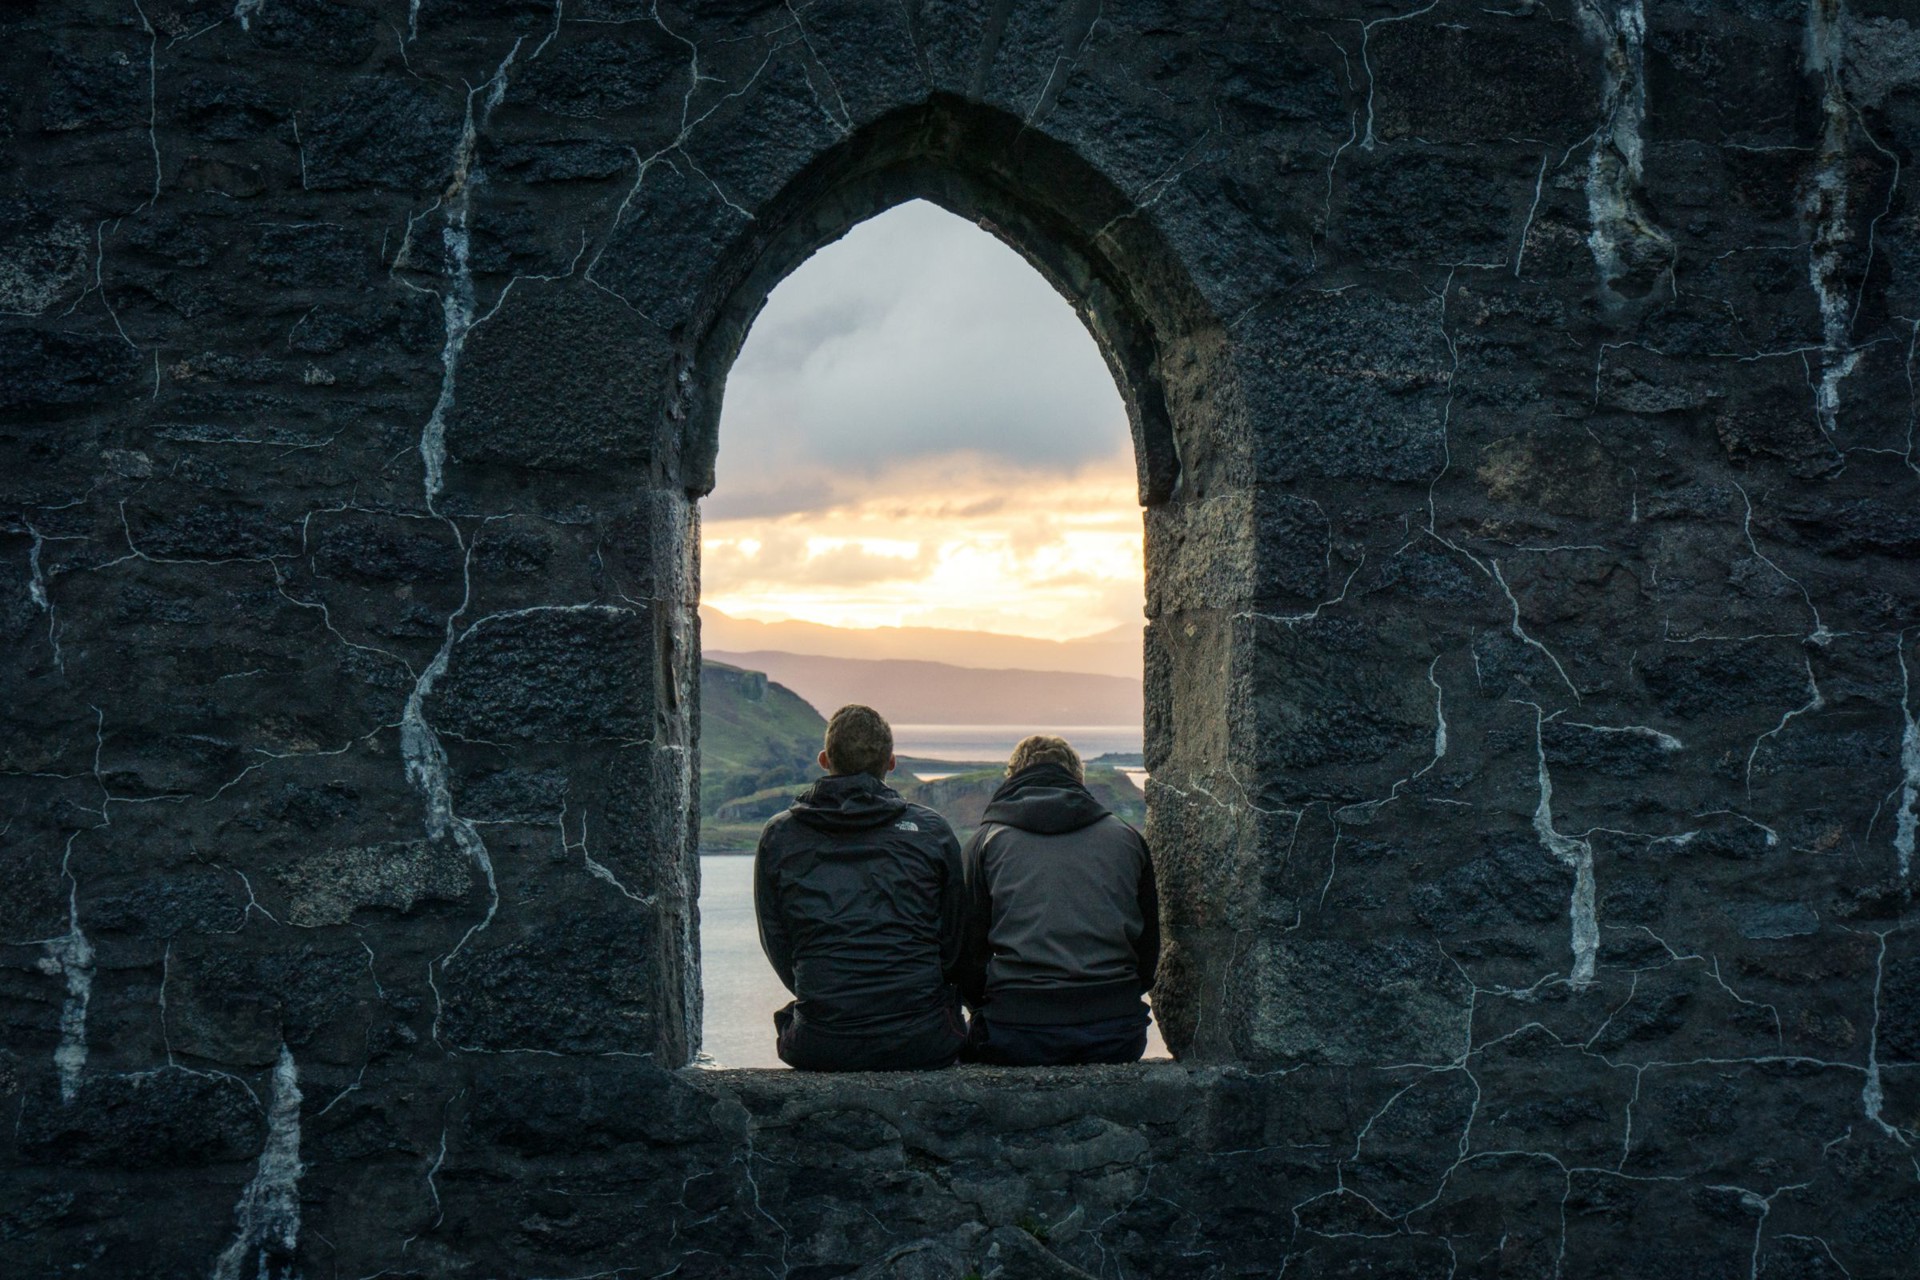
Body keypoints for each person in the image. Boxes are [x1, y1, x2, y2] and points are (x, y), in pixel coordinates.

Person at [753, 704, 969, 1071]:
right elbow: (954, 939)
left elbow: (777, 941)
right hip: (923, 1039)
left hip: (822, 1041)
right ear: (891, 762)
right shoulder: (931, 832)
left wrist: (827, 997)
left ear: (824, 759)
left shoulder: (780, 835)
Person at [957, 734, 1160, 1066]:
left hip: (1017, 1033)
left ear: (1012, 778)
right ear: (1078, 779)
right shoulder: (1127, 839)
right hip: (1116, 1034)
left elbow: (968, 956)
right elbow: (1147, 954)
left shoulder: (986, 842)